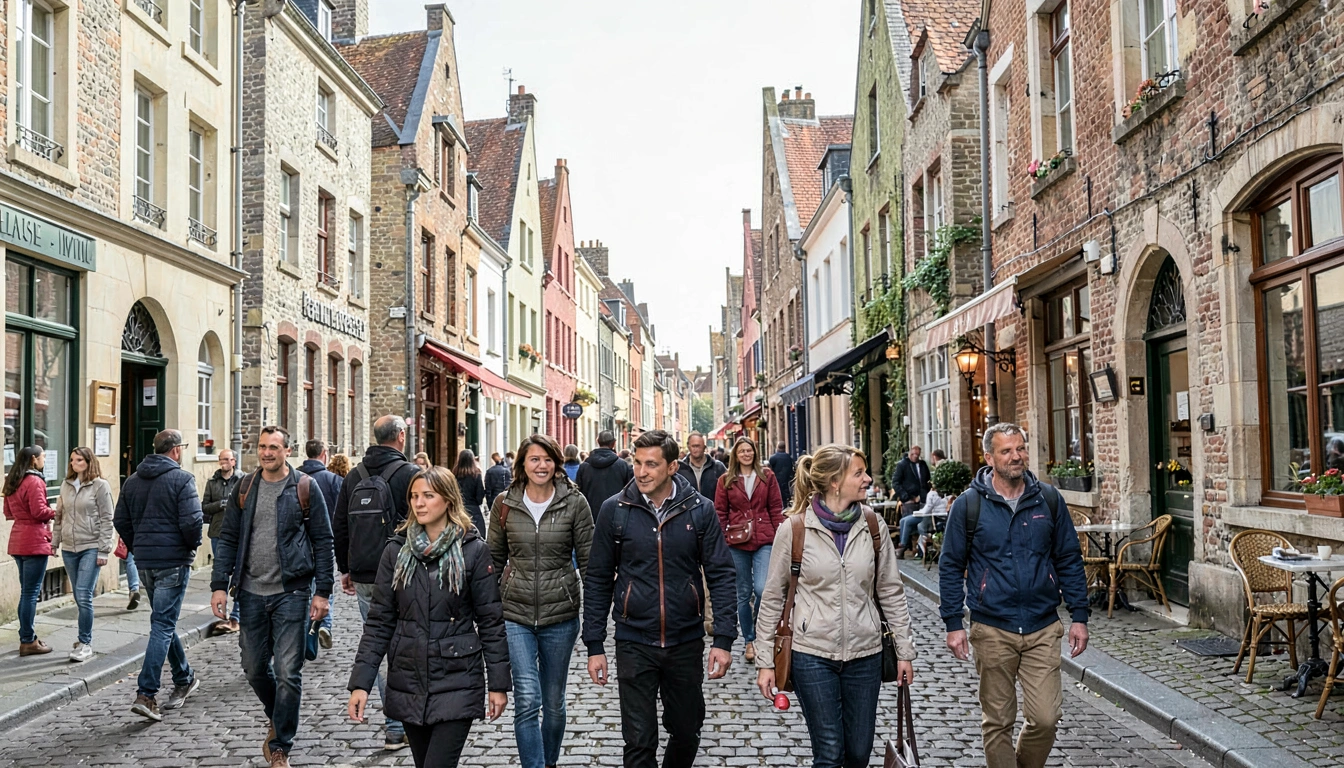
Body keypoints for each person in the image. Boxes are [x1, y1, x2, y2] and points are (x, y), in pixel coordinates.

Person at [755, 444, 918, 768]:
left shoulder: (873, 526)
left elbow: (890, 590)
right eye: (858, 473)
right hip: (811, 654)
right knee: (829, 754)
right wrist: (765, 661)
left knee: (858, 753)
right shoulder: (795, 529)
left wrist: (904, 652)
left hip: (865, 654)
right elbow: (773, 597)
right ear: (833, 482)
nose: (868, 479)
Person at [583, 429, 738, 768]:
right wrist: (594, 644)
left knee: (686, 730)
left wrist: (724, 638)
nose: (641, 471)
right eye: (637, 463)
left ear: (672, 467)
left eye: (651, 464)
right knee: (638, 741)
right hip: (633, 639)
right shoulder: (615, 510)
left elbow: (722, 574)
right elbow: (596, 578)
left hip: (685, 640)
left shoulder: (699, 510)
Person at [939, 423, 1090, 768]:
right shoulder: (968, 506)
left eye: (1020, 448)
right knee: (998, 721)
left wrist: (1079, 615)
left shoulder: (1048, 499)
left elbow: (1068, 558)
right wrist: (953, 623)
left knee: (1046, 718)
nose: (1016, 456)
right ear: (989, 457)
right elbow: (950, 566)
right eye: (1006, 451)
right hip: (992, 628)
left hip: (1042, 626)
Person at [348, 467, 510, 767]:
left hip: (457, 676)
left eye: (427, 496)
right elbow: (379, 621)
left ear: (448, 500)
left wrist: (498, 685)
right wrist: (361, 683)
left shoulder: (473, 550)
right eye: (413, 496)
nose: (418, 503)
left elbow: (490, 621)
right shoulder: (396, 551)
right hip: (408, 678)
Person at [211, 426, 333, 768]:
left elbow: (324, 541)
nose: (266, 452)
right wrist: (219, 584)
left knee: (288, 672)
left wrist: (322, 592)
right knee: (253, 668)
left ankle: (280, 745)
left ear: (287, 450)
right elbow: (230, 537)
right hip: (249, 592)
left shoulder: (305, 488)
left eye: (274, 447)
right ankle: (277, 715)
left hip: (291, 592)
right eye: (262, 447)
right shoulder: (245, 486)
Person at [488, 435, 594, 768]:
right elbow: (493, 558)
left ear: (557, 463)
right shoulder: (504, 503)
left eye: (548, 459)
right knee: (528, 699)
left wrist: (595, 618)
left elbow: (589, 561)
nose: (541, 466)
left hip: (560, 614)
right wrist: (487, 612)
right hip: (514, 613)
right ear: (521, 464)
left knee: (554, 704)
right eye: (534, 459)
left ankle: (549, 762)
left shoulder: (575, 503)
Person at [332, 414, 419, 751]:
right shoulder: (409, 473)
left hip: (367, 572)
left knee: (379, 644)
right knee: (409, 644)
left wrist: (346, 568)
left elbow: (341, 525)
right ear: (399, 436)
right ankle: (409, 718)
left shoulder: (354, 475)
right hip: (406, 570)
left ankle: (395, 726)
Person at [113, 430, 203, 721]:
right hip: (172, 561)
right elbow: (192, 522)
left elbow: (120, 521)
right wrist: (190, 548)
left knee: (163, 621)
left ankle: (184, 677)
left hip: (147, 562)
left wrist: (138, 546)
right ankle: (146, 693)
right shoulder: (182, 479)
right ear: (175, 450)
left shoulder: (133, 481)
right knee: (163, 623)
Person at [713, 437, 784, 664]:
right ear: (736, 455)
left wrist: (780, 533)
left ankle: (762, 632)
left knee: (763, 589)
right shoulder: (726, 480)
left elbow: (775, 507)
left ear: (755, 452)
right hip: (737, 541)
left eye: (749, 450)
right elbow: (720, 512)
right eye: (742, 451)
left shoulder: (767, 477)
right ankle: (750, 640)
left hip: (764, 538)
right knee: (742, 594)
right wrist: (723, 538)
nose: (746, 454)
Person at [53, 447, 115, 662]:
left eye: (79, 460)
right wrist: (55, 542)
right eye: (71, 460)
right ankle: (83, 638)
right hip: (69, 547)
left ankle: (85, 643)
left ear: (89, 462)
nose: (74, 463)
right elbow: (60, 516)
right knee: (79, 596)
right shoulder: (66, 484)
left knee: (83, 593)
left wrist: (104, 550)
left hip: (91, 546)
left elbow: (108, 519)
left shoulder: (100, 486)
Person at [4, 446, 56, 656]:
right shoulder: (34, 480)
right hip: (34, 540)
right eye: (43, 456)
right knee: (30, 593)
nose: (44, 459)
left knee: (26, 592)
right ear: (34, 459)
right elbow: (39, 511)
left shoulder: (12, 480)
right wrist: (57, 511)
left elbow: (8, 512)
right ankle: (27, 640)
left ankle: (27, 637)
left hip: (18, 540)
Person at [298, 439, 344, 652]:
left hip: (299, 543)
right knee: (324, 584)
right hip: (326, 541)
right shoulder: (334, 480)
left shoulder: (296, 477)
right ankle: (323, 624)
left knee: (304, 588)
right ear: (324, 454)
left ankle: (307, 629)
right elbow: (343, 514)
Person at [202, 448, 243, 633]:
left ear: (234, 461)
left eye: (227, 459)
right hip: (218, 532)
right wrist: (221, 504)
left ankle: (237, 614)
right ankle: (223, 609)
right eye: (221, 460)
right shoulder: (212, 483)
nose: (223, 463)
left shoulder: (243, 480)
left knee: (240, 573)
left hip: (239, 533)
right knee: (220, 571)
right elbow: (204, 507)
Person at [575, 430, 634, 517]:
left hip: (590, 514)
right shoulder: (623, 465)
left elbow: (579, 491)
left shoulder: (584, 467)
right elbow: (630, 491)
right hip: (616, 514)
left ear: (598, 441)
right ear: (614, 443)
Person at [890, 446, 931, 557]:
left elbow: (927, 480)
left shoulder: (922, 465)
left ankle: (911, 549)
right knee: (907, 522)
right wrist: (906, 497)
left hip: (923, 500)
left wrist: (926, 494)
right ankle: (905, 548)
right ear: (909, 454)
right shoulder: (903, 465)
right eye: (913, 454)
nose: (915, 457)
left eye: (917, 455)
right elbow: (895, 483)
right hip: (909, 500)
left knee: (913, 523)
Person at [676, 432, 726, 499]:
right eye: (693, 446)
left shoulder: (718, 467)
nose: (695, 449)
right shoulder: (680, 468)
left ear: (704, 447)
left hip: (713, 508)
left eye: (698, 446)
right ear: (688, 446)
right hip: (689, 508)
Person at [452, 449, 487, 534]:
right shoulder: (476, 474)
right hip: (474, 510)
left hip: (458, 510)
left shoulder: (454, 475)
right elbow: (479, 497)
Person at [767, 441, 796, 508]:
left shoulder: (773, 458)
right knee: (786, 491)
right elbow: (793, 467)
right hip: (787, 478)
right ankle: (787, 502)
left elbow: (769, 468)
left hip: (777, 478)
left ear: (777, 447)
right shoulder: (789, 457)